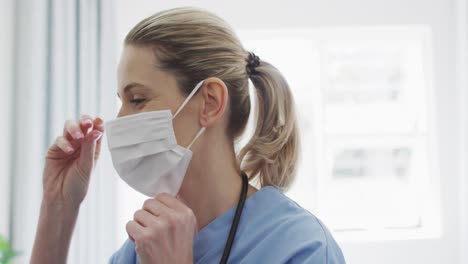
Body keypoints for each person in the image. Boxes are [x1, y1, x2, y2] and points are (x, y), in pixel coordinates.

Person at [31, 7, 346, 264]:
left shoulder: (302, 248)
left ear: (209, 102)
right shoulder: (140, 248)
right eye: (121, 101)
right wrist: (58, 206)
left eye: (137, 99)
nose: (119, 120)